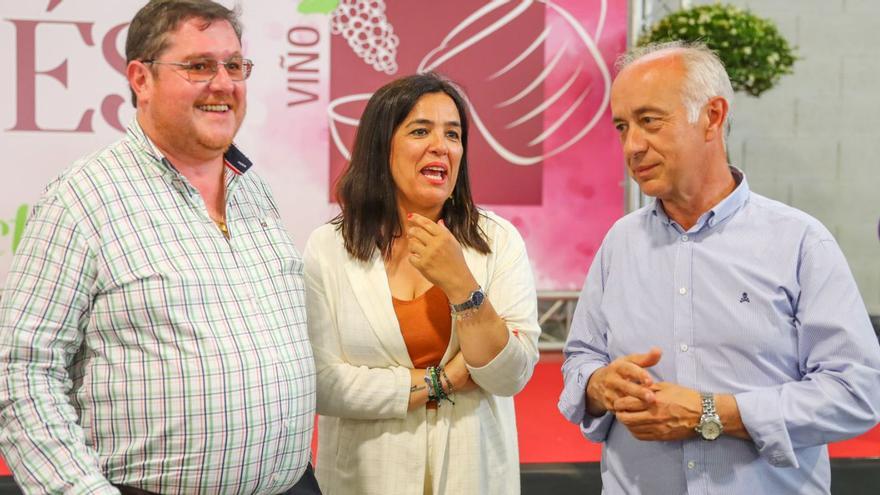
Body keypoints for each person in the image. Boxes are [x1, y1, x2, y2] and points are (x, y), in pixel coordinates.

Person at [0, 1, 318, 493]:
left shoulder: (255, 188)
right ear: (140, 79)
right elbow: (21, 369)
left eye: (234, 65)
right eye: (199, 66)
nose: (223, 84)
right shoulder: (83, 199)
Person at [558, 41, 880, 494]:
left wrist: (712, 413)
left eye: (650, 121)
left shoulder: (800, 242)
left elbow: (855, 392)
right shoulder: (619, 244)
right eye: (622, 127)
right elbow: (580, 359)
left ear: (712, 116)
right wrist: (598, 385)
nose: (632, 146)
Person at [303, 73, 541, 494]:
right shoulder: (328, 247)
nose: (441, 146)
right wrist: (439, 382)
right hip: (364, 477)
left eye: (453, 134)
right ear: (382, 146)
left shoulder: (498, 240)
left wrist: (462, 285)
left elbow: (511, 375)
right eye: (420, 131)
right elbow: (322, 384)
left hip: (472, 475)